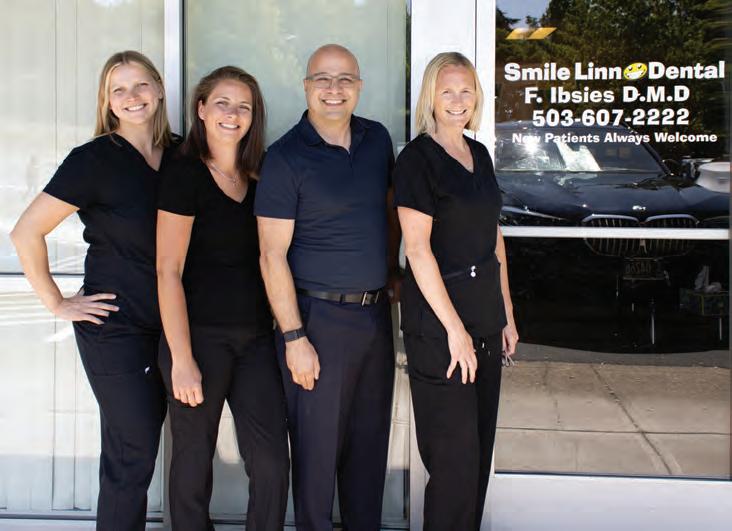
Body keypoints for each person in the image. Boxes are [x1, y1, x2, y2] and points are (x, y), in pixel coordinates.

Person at [10, 50, 175, 530]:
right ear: (107, 101)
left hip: (175, 322)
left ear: (159, 88)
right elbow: (26, 232)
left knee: (165, 445)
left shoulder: (182, 155)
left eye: (140, 85)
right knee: (133, 450)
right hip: (115, 327)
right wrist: (56, 301)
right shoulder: (93, 160)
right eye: (118, 90)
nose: (132, 97)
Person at [254, 44, 401, 531]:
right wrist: (294, 337)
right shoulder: (285, 158)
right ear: (306, 87)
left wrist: (393, 273)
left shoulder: (377, 140)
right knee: (316, 462)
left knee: (368, 454)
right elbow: (271, 255)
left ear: (359, 87)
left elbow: (386, 212)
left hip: (376, 318)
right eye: (323, 79)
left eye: (345, 79)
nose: (334, 89)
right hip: (317, 322)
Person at [156, 66, 289, 531]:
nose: (232, 114)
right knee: (192, 466)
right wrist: (181, 359)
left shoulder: (262, 174)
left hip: (255, 341)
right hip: (198, 340)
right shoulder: (184, 174)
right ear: (201, 110)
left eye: (243, 107)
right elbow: (167, 271)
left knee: (271, 463)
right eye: (222, 103)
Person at [393, 51, 519, 531]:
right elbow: (417, 250)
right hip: (439, 332)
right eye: (447, 90)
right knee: (454, 468)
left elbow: (493, 238)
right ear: (430, 96)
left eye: (466, 90)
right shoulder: (416, 160)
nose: (457, 99)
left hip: (484, 321)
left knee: (478, 459)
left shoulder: (479, 154)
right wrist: (455, 331)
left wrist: (505, 313)